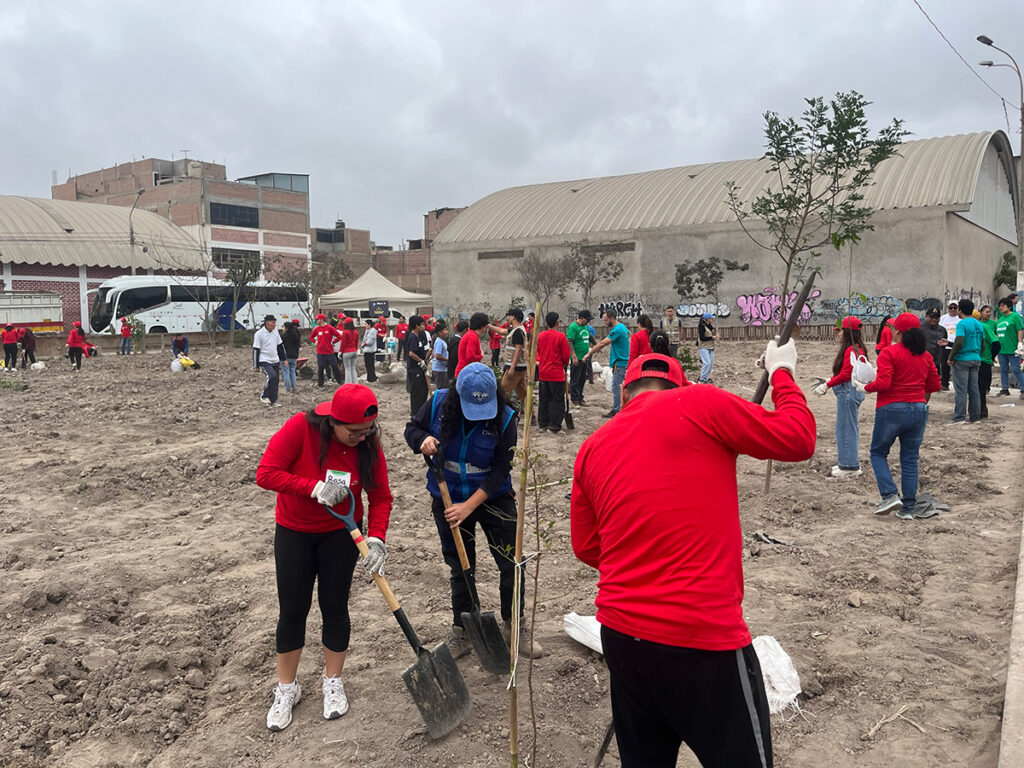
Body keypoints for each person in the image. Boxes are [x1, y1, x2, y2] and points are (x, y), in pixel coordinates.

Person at [570, 342, 815, 768]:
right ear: (680, 386)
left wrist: (642, 558)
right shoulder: (701, 402)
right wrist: (781, 372)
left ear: (625, 393)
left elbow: (587, 546)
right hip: (702, 639)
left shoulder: (593, 446)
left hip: (622, 637)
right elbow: (798, 436)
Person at [256, 384, 392, 731]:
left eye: (367, 431)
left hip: (341, 534)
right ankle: (287, 689)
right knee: (293, 610)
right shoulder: (300, 428)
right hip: (295, 532)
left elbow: (380, 496)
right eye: (354, 432)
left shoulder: (368, 444)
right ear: (333, 421)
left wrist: (376, 538)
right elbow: (266, 473)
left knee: (335, 607)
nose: (361, 438)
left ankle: (333, 682)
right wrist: (314, 487)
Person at [404, 362, 539, 658]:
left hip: (493, 497)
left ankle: (514, 625)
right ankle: (463, 630)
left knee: (512, 563)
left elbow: (502, 469)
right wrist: (422, 439)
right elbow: (412, 428)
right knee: (461, 567)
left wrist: (469, 506)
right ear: (458, 397)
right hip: (448, 496)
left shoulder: (505, 417)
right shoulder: (438, 404)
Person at [859, 313, 941, 518]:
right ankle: (908, 508)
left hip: (891, 409)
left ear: (898, 332)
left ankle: (889, 495)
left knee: (878, 453)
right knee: (910, 459)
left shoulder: (889, 352)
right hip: (918, 410)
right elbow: (934, 385)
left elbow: (884, 383)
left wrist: (864, 387)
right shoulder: (926, 356)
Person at [813, 317, 869, 477]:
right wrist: (829, 380)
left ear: (847, 332)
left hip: (848, 392)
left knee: (845, 429)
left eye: (841, 331)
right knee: (848, 427)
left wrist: (827, 385)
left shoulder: (851, 350)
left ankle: (849, 466)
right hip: (851, 390)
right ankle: (847, 463)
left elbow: (846, 374)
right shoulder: (857, 348)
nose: (839, 334)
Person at [583, 308, 630, 418]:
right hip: (619, 361)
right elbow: (628, 334)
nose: (605, 323)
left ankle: (616, 409)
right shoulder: (621, 327)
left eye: (605, 320)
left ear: (612, 318)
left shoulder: (617, 329)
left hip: (619, 362)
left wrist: (589, 354)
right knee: (618, 385)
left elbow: (603, 343)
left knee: (616, 386)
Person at [948, 299, 984, 424]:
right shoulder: (978, 323)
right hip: (976, 358)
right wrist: (977, 354)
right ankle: (975, 417)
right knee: (974, 389)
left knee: (961, 390)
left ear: (960, 310)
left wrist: (951, 357)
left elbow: (959, 341)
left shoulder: (962, 324)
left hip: (962, 359)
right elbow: (983, 343)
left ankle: (959, 417)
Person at [536, 312, 571, 433]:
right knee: (557, 401)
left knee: (543, 400)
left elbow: (537, 352)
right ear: (557, 323)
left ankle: (543, 424)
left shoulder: (540, 336)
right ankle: (554, 426)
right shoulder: (561, 337)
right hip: (556, 374)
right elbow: (566, 356)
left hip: (543, 373)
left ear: (546, 323)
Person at [499, 309, 529, 410]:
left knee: (503, 390)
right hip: (520, 366)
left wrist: (512, 367)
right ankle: (529, 413)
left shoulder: (517, 332)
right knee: (523, 393)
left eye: (509, 316)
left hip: (515, 367)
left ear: (513, 317)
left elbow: (518, 350)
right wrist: (488, 326)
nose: (508, 318)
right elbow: (501, 331)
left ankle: (502, 412)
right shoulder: (516, 329)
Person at [994, 297, 1024, 396]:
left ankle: (1023, 388)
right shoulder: (1000, 319)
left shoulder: (1015, 316)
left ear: (1009, 306)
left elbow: (1020, 329)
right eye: (1000, 306)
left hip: (1013, 348)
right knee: (1003, 369)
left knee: (1016, 369)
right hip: (1002, 349)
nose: (1001, 307)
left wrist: (1020, 342)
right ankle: (1004, 388)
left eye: (1003, 305)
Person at [253, 315, 285, 407]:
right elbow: (256, 350)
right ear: (267, 323)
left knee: (276, 381)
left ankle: (273, 400)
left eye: (275, 323)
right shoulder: (259, 334)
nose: (274, 325)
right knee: (271, 376)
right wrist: (256, 365)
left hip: (275, 359)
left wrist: (283, 359)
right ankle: (264, 395)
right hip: (264, 360)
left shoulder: (275, 332)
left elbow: (280, 346)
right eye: (272, 323)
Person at [405, 315, 430, 417]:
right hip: (415, 370)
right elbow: (411, 353)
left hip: (420, 369)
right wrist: (421, 361)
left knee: (423, 392)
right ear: (416, 326)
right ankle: (415, 414)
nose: (424, 326)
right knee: (417, 393)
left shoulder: (418, 336)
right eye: (422, 324)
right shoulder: (412, 337)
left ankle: (421, 412)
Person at [310, 314, 343, 389]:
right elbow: (311, 337)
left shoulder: (330, 328)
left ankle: (340, 381)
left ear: (321, 319)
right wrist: (315, 342)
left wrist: (333, 342)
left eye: (317, 319)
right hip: (320, 353)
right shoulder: (317, 328)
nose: (316, 321)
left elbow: (339, 336)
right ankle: (320, 384)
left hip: (329, 352)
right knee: (321, 368)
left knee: (335, 366)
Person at [567, 310, 592, 406]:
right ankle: (575, 399)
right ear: (581, 318)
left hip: (585, 357)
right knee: (575, 379)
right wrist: (574, 356)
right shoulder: (573, 327)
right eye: (587, 319)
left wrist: (596, 345)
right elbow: (570, 342)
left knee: (582, 379)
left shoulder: (585, 327)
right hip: (577, 357)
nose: (588, 322)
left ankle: (580, 397)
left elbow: (589, 336)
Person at [978, 305, 998, 418]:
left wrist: (991, 356)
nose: (988, 314)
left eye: (989, 312)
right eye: (986, 312)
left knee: (981, 387)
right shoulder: (968, 326)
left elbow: (996, 343)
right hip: (974, 360)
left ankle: (982, 410)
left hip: (984, 360)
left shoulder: (986, 326)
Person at [455, 313, 487, 378]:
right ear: (481, 325)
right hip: (466, 373)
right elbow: (470, 357)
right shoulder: (472, 336)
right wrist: (481, 356)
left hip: (465, 371)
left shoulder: (471, 334)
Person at [938, 301, 960, 390]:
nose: (953, 309)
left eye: (955, 308)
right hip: (945, 345)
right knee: (944, 365)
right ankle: (944, 383)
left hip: (957, 344)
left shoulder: (960, 319)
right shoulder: (943, 318)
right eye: (951, 307)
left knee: (957, 366)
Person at [920, 309, 945, 375]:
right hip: (922, 362)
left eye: (936, 317)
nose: (934, 319)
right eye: (931, 317)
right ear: (926, 317)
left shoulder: (942, 330)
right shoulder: (919, 329)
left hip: (936, 363)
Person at [281, 321, 302, 394]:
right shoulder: (295, 335)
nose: (282, 328)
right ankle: (294, 388)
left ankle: (287, 389)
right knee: (292, 372)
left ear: (286, 327)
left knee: (286, 372)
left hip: (285, 357)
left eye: (283, 327)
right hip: (294, 356)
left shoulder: (283, 336)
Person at [697, 312, 717, 384]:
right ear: (707, 319)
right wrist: (712, 337)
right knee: (707, 363)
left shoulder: (709, 326)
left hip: (711, 347)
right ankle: (702, 378)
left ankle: (706, 378)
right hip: (703, 347)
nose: (712, 319)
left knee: (710, 364)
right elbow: (702, 338)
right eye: (711, 318)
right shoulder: (702, 326)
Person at [430, 322, 449, 390]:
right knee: (440, 389)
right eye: (445, 330)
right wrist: (448, 360)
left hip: (443, 368)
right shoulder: (439, 342)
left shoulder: (442, 341)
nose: (446, 332)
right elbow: (437, 356)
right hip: (439, 369)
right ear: (440, 332)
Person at [340, 320, 359, 385]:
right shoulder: (356, 332)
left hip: (347, 352)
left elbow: (343, 343)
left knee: (347, 369)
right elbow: (356, 343)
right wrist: (355, 349)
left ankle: (348, 384)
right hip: (354, 351)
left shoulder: (345, 332)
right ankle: (355, 383)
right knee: (353, 368)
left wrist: (340, 351)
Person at [361, 319, 378, 384]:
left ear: (369, 325)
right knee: (368, 365)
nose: (365, 325)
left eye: (365, 324)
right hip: (367, 350)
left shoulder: (372, 331)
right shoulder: (367, 330)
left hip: (370, 350)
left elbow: (370, 341)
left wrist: (364, 344)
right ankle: (370, 377)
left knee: (370, 365)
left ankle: (371, 378)